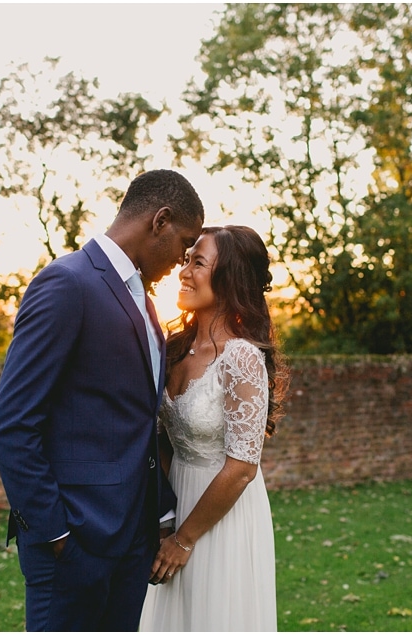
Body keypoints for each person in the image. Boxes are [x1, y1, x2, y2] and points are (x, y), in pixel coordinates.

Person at [0, 169, 205, 632]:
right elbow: (11, 423)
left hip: (131, 543)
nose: (182, 262)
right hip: (74, 541)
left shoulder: (145, 302)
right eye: (184, 244)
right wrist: (55, 532)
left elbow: (135, 420)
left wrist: (159, 514)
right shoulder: (68, 283)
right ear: (159, 221)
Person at [139, 225, 288, 631]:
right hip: (178, 503)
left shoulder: (240, 357)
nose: (184, 270)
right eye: (186, 260)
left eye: (198, 262)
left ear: (230, 280)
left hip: (223, 515)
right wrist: (165, 519)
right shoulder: (174, 348)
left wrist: (184, 539)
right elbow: (163, 442)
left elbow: (242, 467)